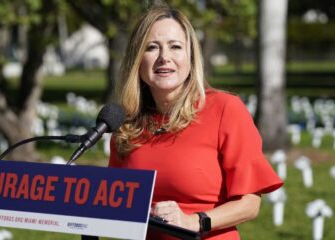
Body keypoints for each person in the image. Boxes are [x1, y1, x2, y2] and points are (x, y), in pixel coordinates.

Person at [109, 3, 283, 240]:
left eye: (175, 47)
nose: (164, 58)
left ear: (190, 57)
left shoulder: (225, 110)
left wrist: (195, 221)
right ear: (137, 60)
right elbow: (114, 203)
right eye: (151, 47)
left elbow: (250, 204)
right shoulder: (125, 124)